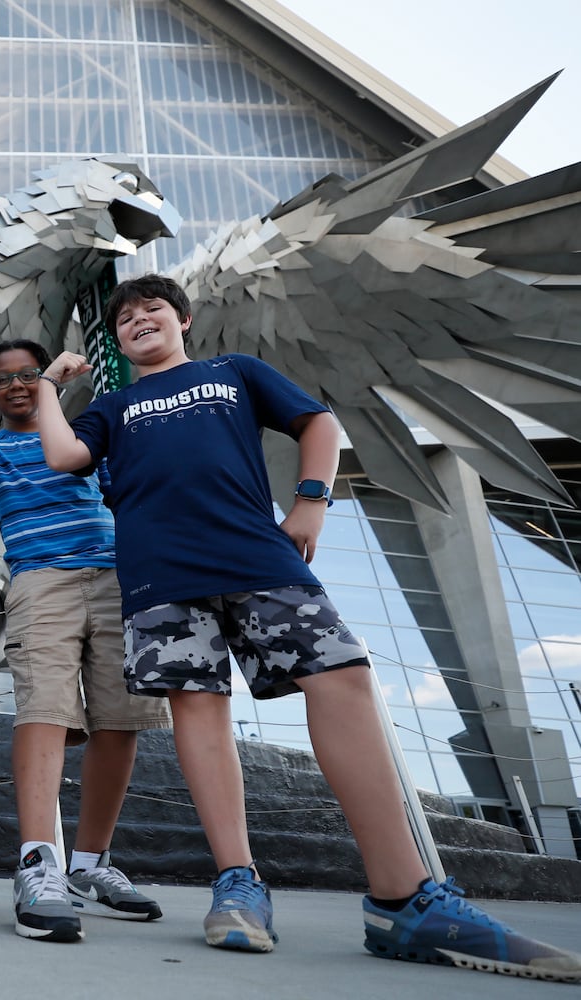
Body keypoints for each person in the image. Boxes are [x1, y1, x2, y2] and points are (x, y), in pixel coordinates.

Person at [34, 273, 581, 981]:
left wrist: (312, 501)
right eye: (127, 317)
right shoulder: (114, 405)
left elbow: (317, 422)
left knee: (343, 676)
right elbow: (62, 456)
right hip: (159, 573)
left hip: (257, 551)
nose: (140, 320)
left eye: (154, 310)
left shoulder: (234, 372)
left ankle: (404, 897)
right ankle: (237, 882)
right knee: (198, 706)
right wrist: (50, 385)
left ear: (185, 321)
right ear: (117, 338)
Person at [0, 339, 172, 943]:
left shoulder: (79, 438)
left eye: (29, 376)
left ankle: (89, 866)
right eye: (6, 380)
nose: (17, 386)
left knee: (120, 720)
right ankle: (37, 864)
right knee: (44, 710)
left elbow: (119, 484)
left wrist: (51, 389)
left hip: (115, 577)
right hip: (42, 582)